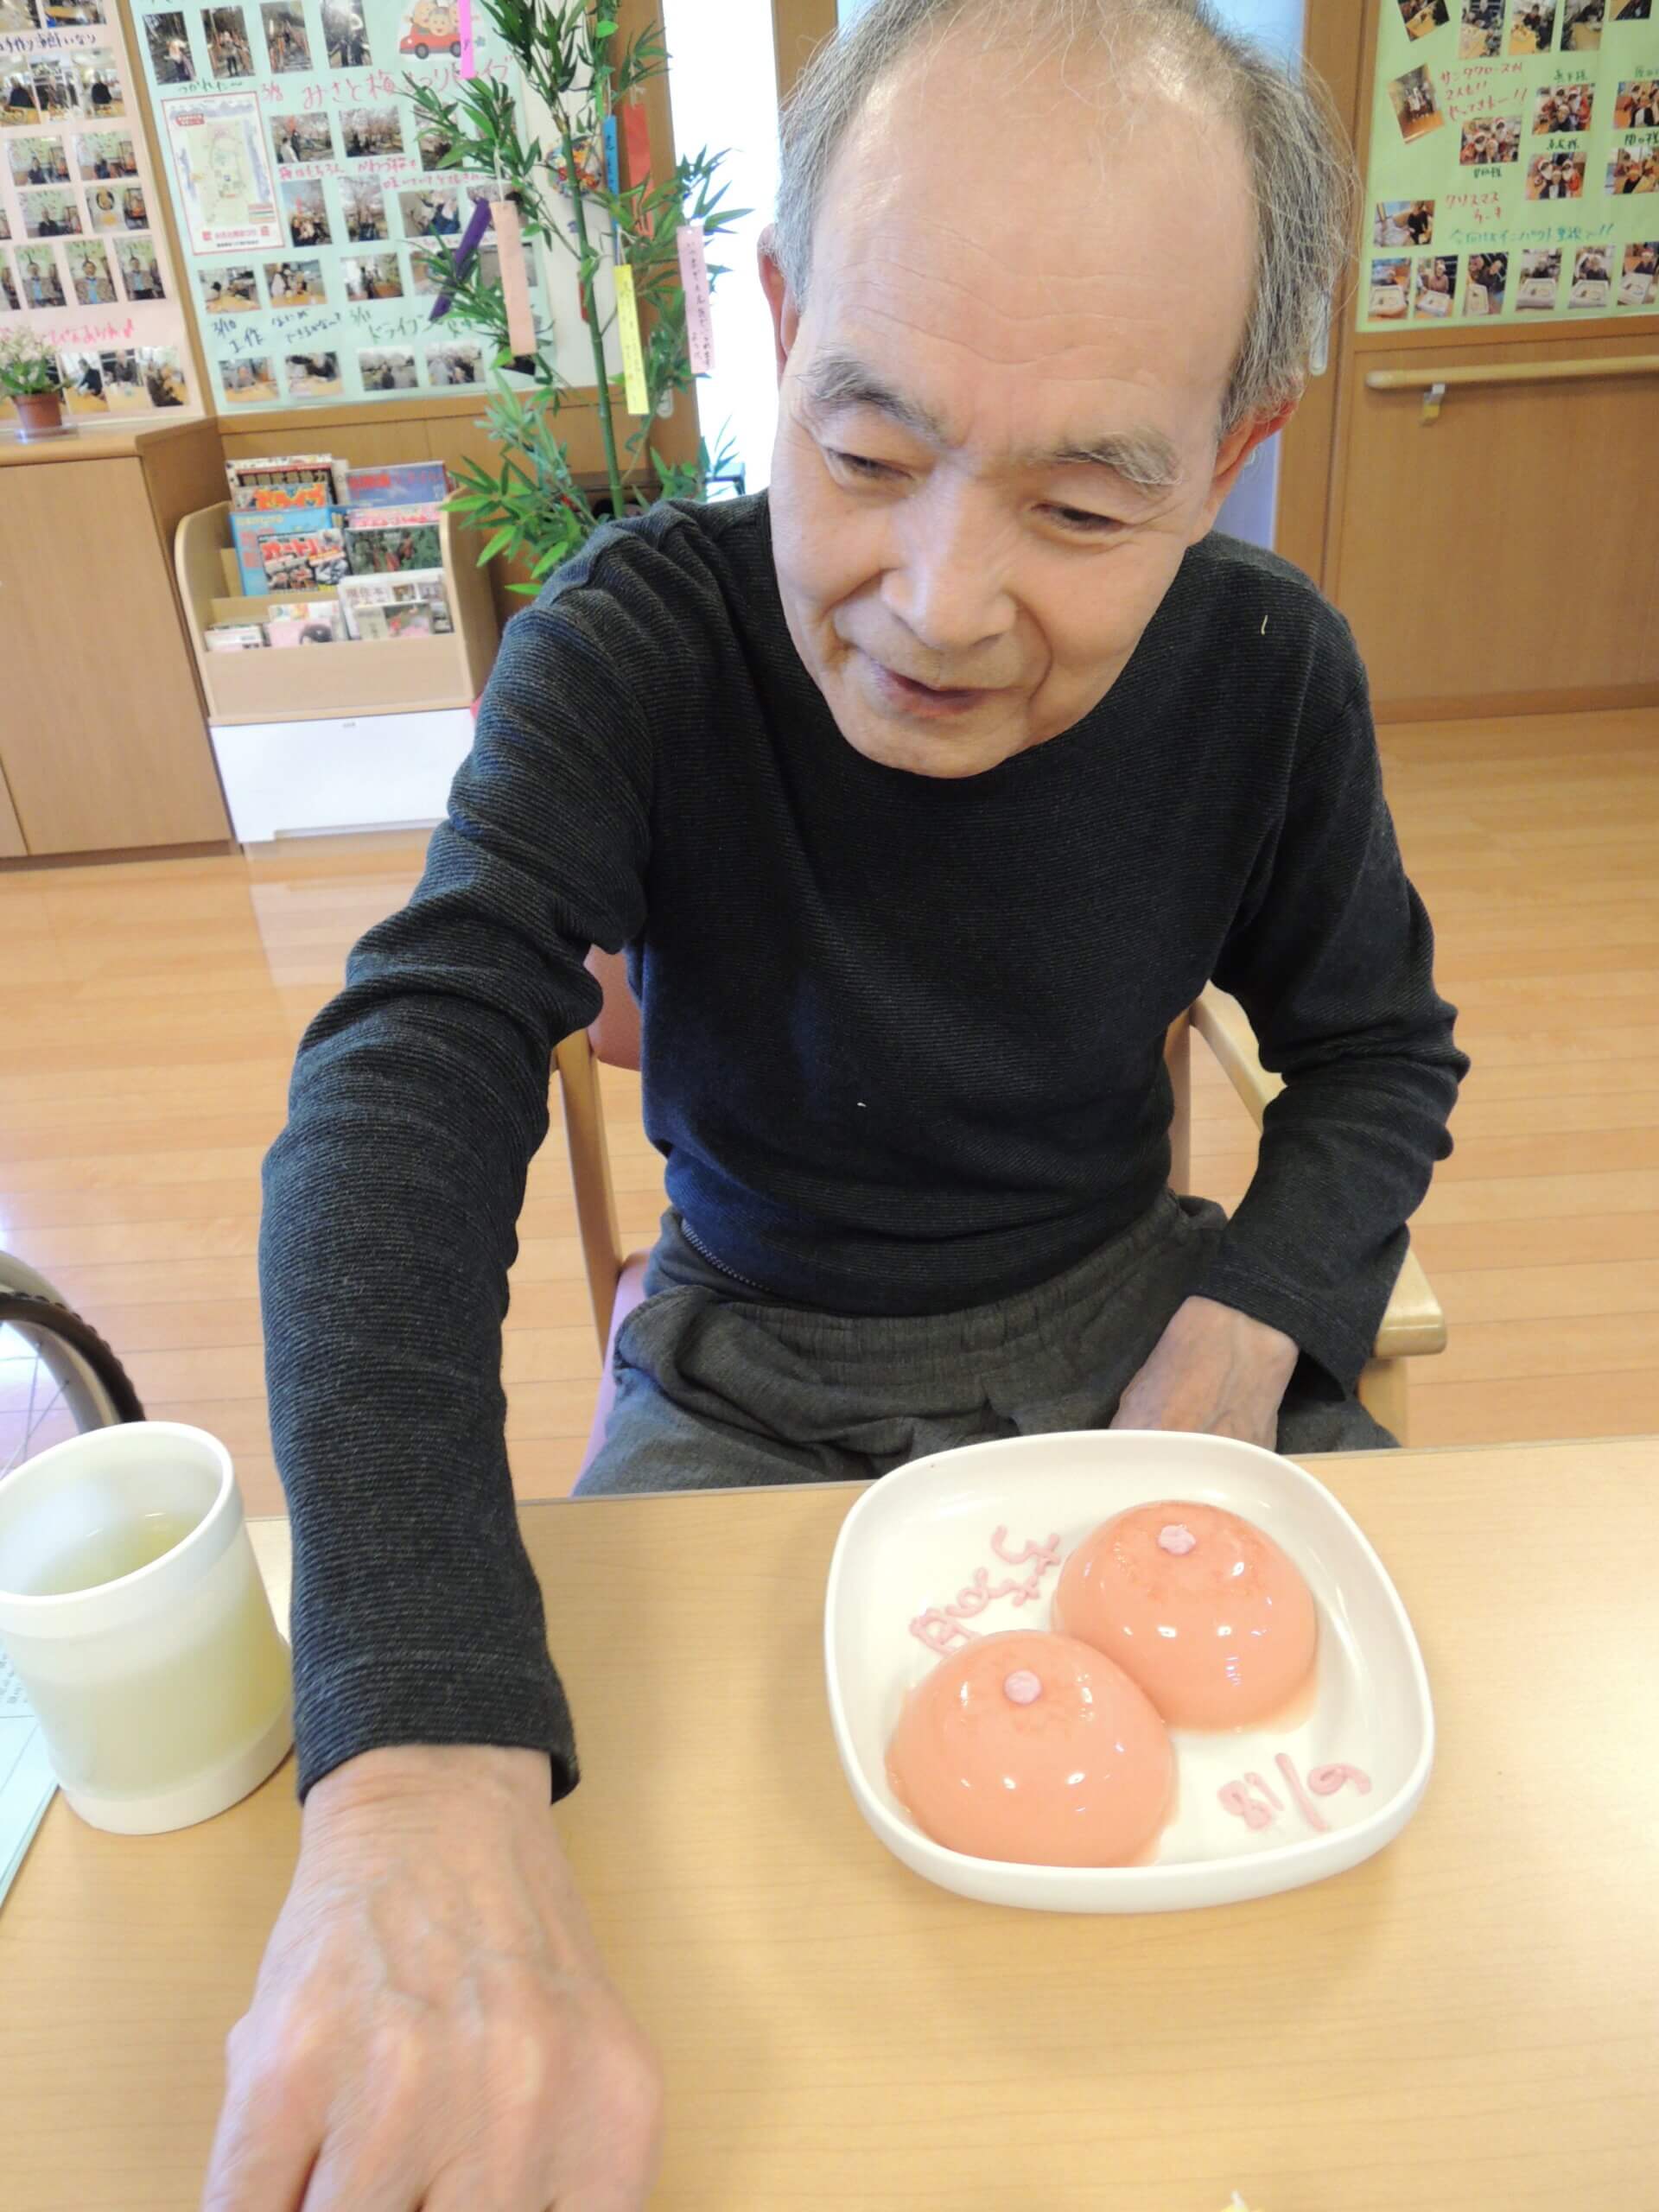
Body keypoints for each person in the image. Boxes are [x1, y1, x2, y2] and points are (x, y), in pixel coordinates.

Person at [215, 7, 1467, 2209]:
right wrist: (410, 1773)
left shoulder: (1266, 674)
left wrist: (1254, 1317)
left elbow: (1377, 1054)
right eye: (866, 450)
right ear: (779, 331)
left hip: (1131, 1331)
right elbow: (401, 1082)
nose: (938, 599)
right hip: (747, 1354)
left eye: (1087, 500)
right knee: (695, 1950)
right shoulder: (639, 646)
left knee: (1397, 1947)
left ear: (1229, 448)